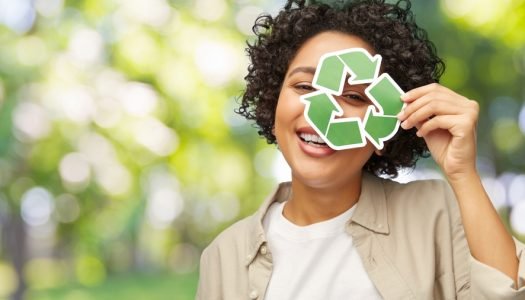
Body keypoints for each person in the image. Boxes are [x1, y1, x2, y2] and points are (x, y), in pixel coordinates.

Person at [196, 0, 525, 299]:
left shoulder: (436, 213)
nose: (324, 113)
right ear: (273, 101)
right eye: (305, 86)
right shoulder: (224, 256)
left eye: (355, 97)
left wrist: (463, 174)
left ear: (389, 124)